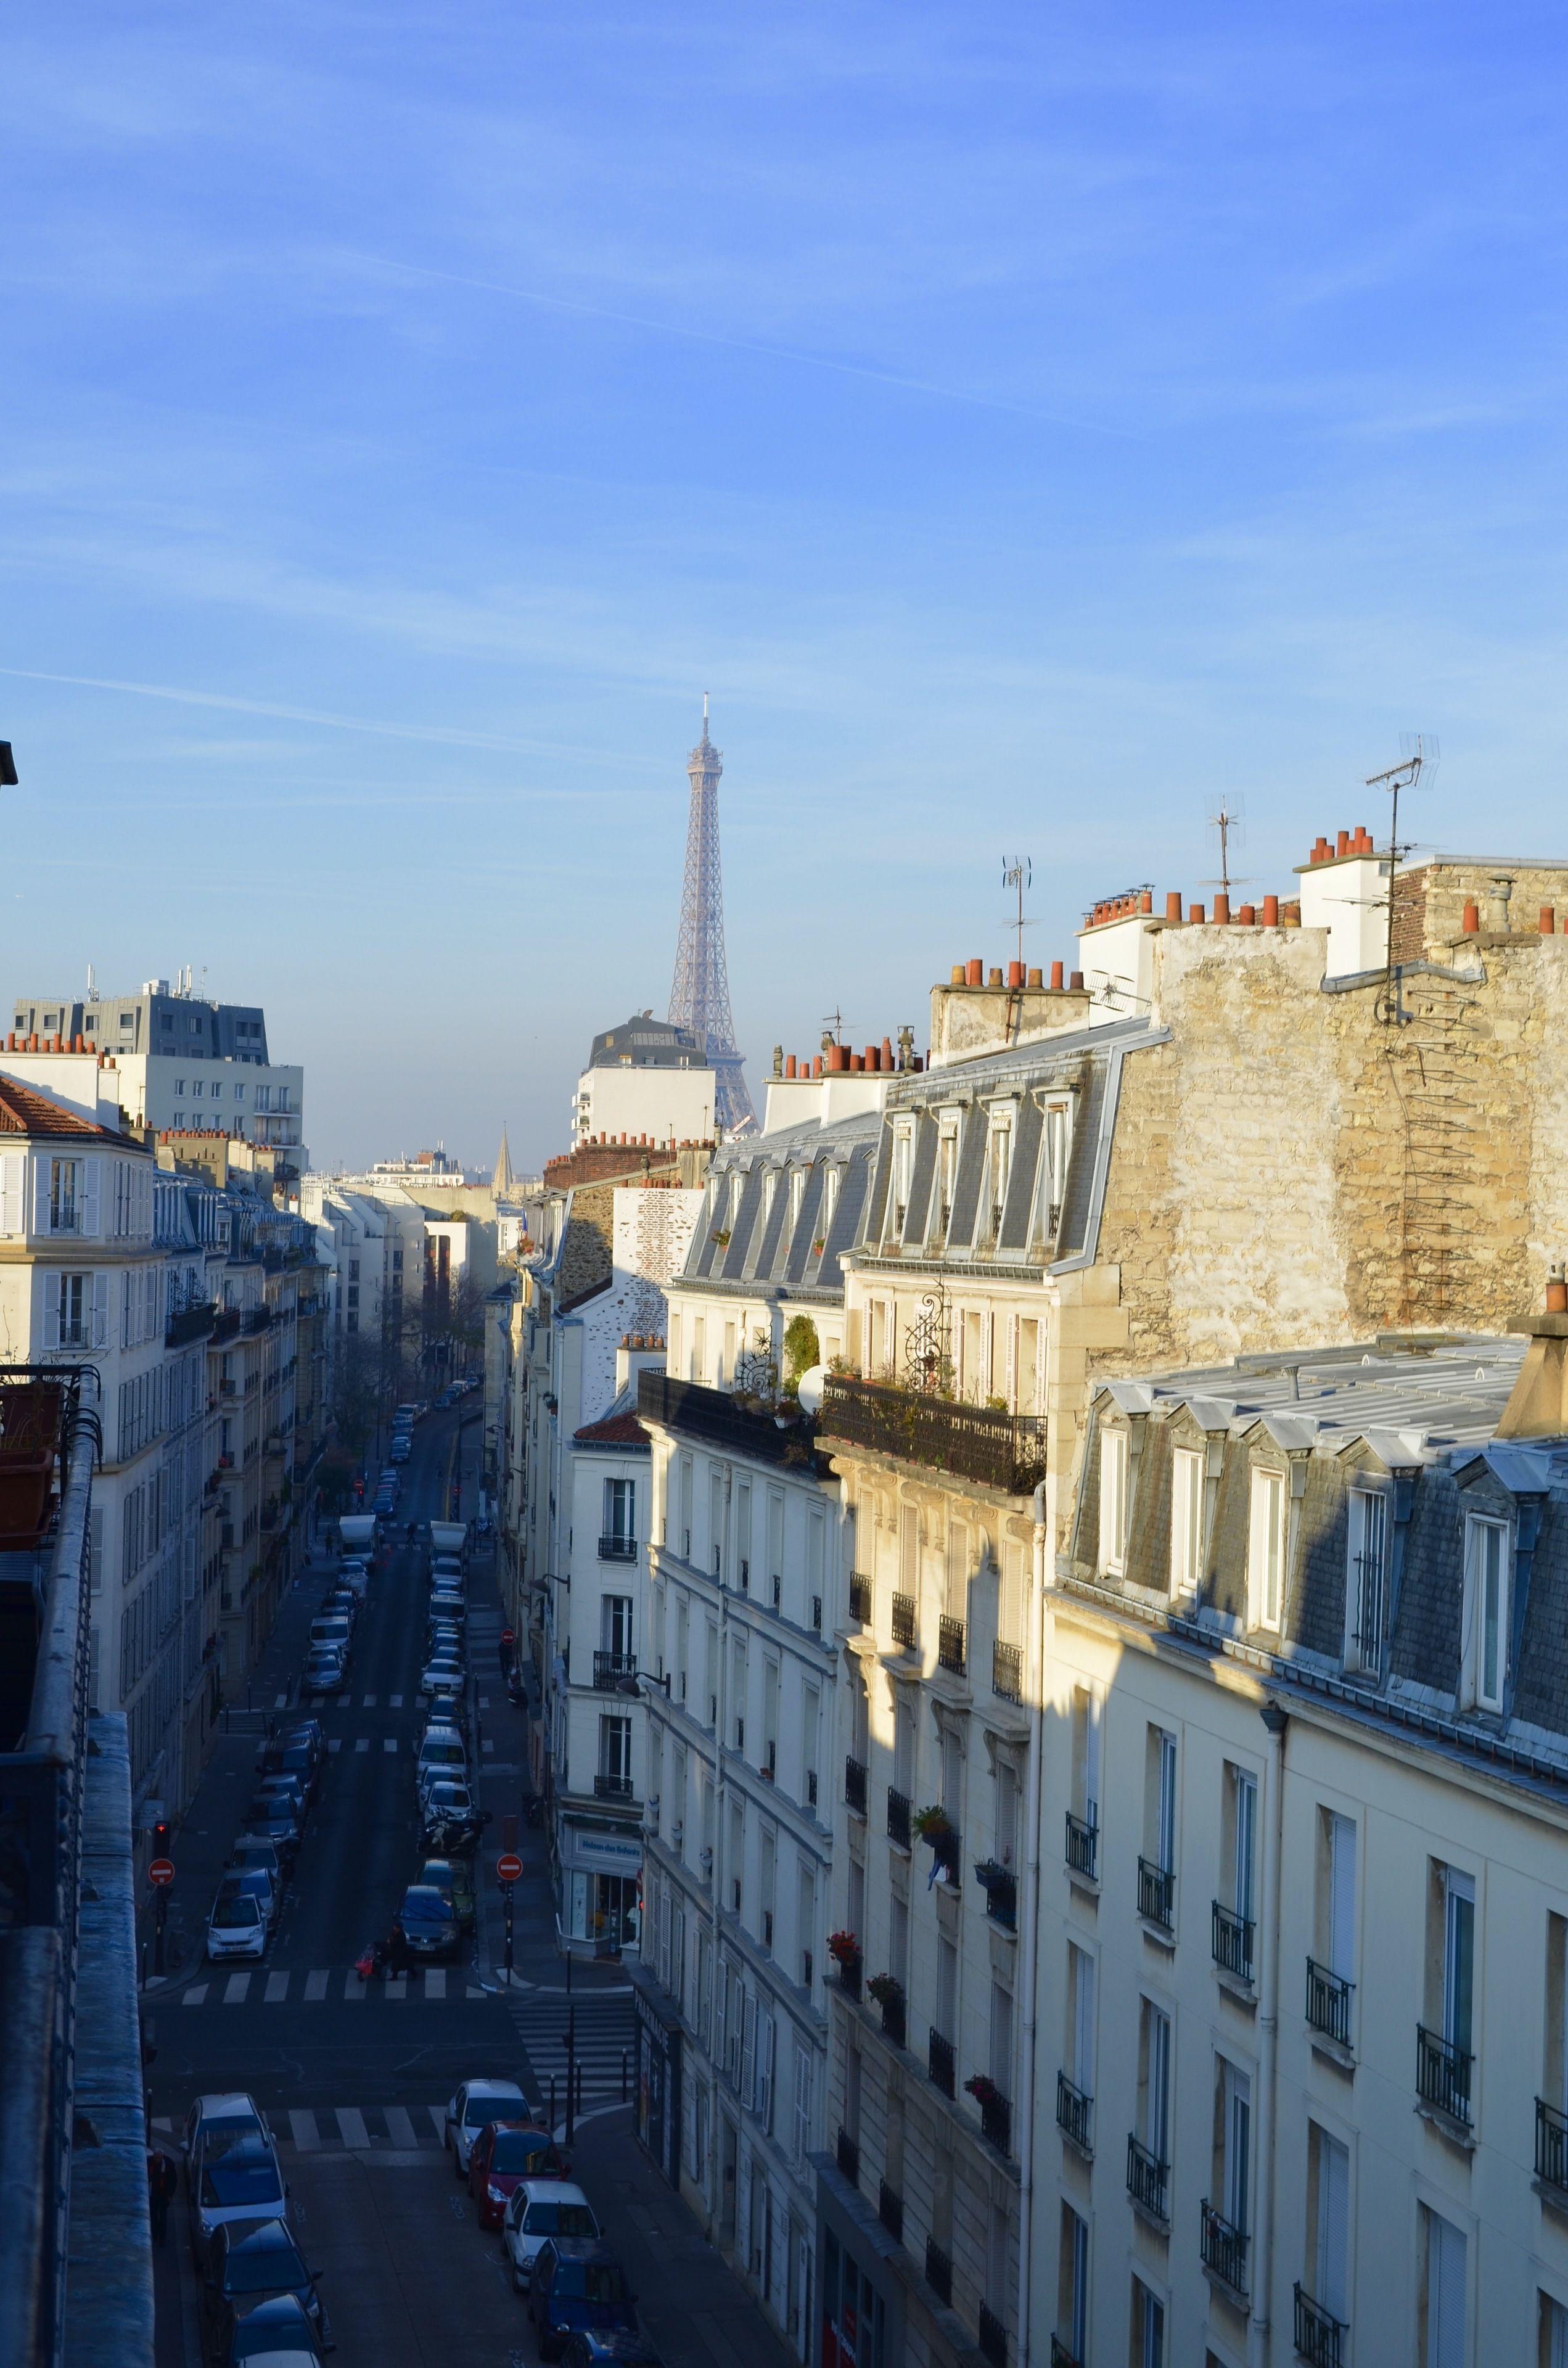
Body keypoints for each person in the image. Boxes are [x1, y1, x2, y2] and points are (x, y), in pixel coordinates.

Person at [147, 2148, 178, 2245]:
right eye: (156, 2157)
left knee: (163, 2218)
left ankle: (162, 2238)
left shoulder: (168, 2166)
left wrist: (170, 2195)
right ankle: (156, 2235)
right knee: (154, 2217)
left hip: (163, 2195)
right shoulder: (149, 2163)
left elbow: (173, 2181)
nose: (157, 2159)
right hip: (153, 2194)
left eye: (159, 2158)